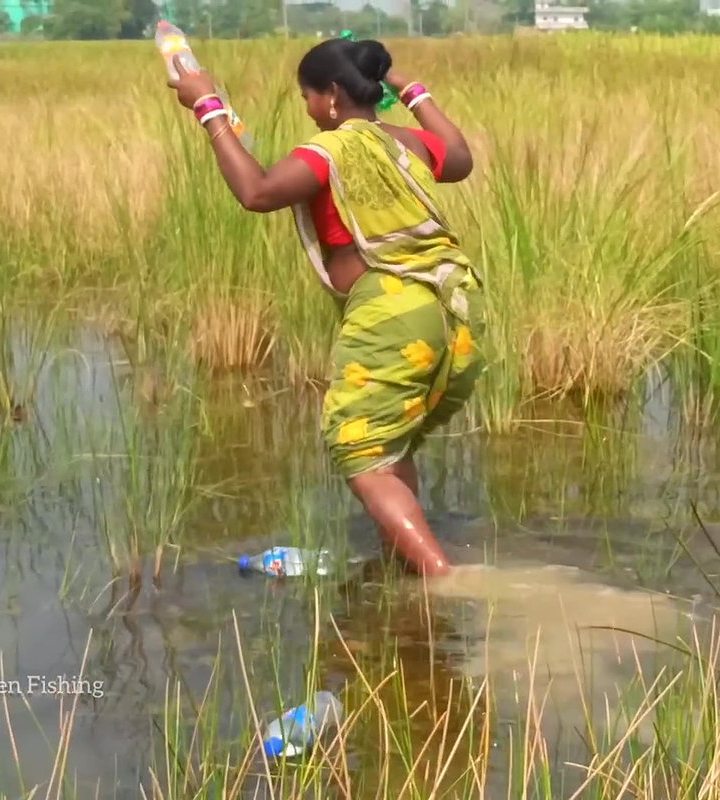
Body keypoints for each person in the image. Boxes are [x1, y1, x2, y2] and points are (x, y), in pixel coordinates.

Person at [166, 37, 484, 578]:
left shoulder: (328, 152)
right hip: (451, 315)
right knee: (389, 443)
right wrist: (410, 89)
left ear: (332, 95)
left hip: (390, 315)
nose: (309, 109)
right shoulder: (404, 142)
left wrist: (208, 106)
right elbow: (459, 158)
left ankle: (441, 578)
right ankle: (400, 563)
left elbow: (258, 192)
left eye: (309, 97)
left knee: (358, 448)